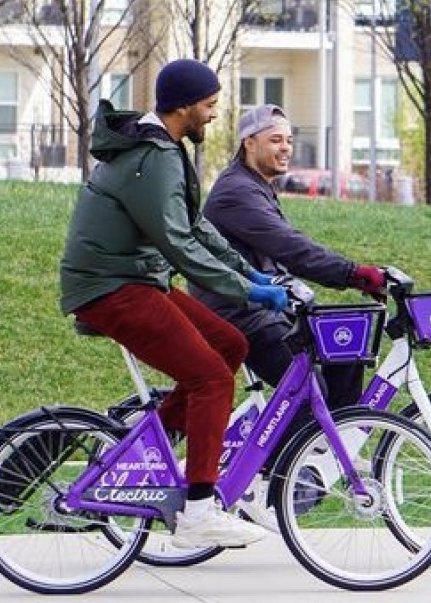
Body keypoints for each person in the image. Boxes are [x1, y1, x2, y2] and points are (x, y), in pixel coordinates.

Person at [59, 58, 286, 550]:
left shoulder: (163, 147)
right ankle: (199, 512)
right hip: (110, 287)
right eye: (208, 105)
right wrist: (246, 291)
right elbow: (177, 241)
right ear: (183, 106)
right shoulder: (154, 153)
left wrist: (246, 270)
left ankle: (146, 457)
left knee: (230, 344)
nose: (212, 115)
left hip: (134, 280)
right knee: (210, 378)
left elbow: (197, 226)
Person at [196, 104, 390, 409]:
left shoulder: (255, 186)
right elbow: (291, 248)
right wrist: (353, 274)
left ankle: (329, 449)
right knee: (310, 394)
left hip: (272, 309)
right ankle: (282, 456)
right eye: (275, 140)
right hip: (242, 314)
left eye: (288, 140)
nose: (286, 148)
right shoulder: (236, 192)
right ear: (249, 143)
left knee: (345, 348)